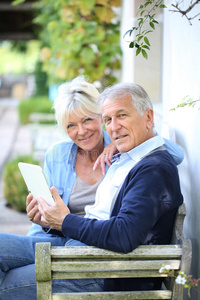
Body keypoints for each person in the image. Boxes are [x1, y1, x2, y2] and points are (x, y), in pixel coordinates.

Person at [0, 79, 183, 299]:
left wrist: (65, 221)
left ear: (148, 118)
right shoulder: (127, 158)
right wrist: (50, 220)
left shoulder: (151, 166)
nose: (114, 127)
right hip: (77, 249)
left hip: (95, 267)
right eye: (109, 119)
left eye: (122, 116)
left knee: (6, 284)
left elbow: (124, 234)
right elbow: (102, 220)